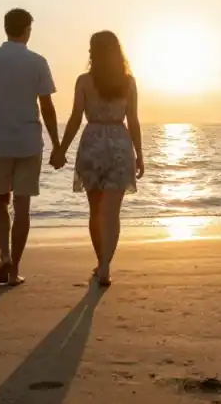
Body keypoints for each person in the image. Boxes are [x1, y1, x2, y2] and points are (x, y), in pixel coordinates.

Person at [0, 8, 60, 286]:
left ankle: (5, 255)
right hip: (28, 142)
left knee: (0, 200)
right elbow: (47, 107)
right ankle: (14, 269)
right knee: (22, 207)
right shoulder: (37, 62)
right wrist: (57, 144)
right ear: (27, 29)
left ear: (6, 28)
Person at [50, 31, 143, 286]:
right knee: (112, 213)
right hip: (119, 145)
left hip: (92, 144)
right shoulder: (128, 82)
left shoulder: (83, 81)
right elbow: (133, 120)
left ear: (93, 52)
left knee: (96, 212)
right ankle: (105, 267)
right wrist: (140, 154)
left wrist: (61, 149)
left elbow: (75, 117)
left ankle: (101, 261)